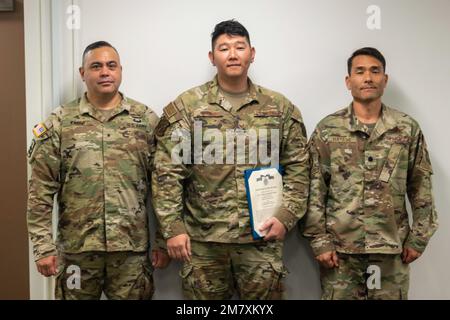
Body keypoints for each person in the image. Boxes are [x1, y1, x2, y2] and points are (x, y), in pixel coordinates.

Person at [152, 20, 309, 299]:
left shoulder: (279, 107)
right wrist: (172, 228)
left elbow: (299, 167)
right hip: (203, 242)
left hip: (261, 239)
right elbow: (167, 171)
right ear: (212, 58)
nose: (233, 54)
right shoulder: (189, 106)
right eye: (224, 48)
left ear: (252, 53)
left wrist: (287, 216)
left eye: (240, 47)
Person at [27, 41, 169, 300]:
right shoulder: (60, 122)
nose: (105, 72)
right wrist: (42, 247)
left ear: (120, 70)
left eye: (111, 65)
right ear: (83, 73)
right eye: (96, 66)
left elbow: (164, 186)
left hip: (131, 253)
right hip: (76, 252)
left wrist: (163, 240)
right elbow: (40, 190)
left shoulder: (145, 120)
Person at [302, 47, 438, 299]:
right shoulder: (328, 129)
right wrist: (319, 241)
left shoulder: (406, 129)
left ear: (385, 80)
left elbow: (421, 187)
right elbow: (314, 189)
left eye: (375, 71)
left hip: (391, 252)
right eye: (360, 71)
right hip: (341, 254)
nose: (368, 78)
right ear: (348, 81)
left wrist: (419, 239)